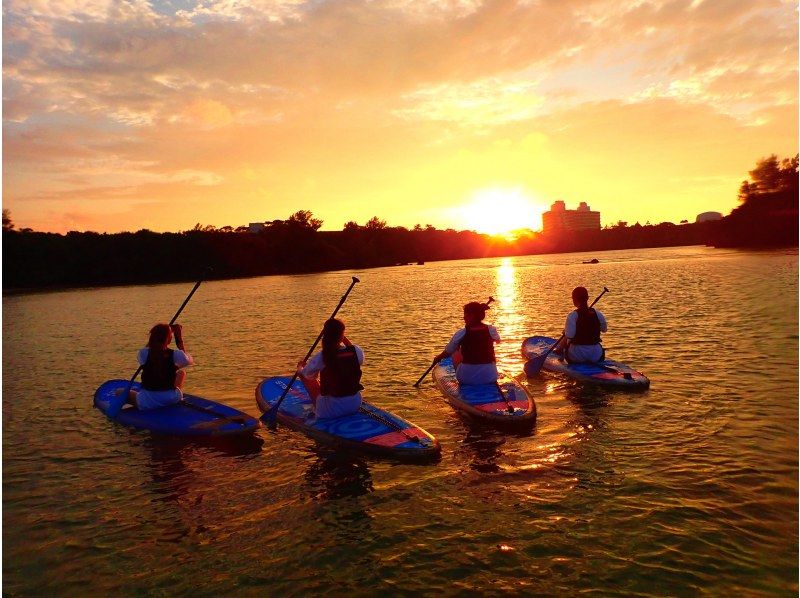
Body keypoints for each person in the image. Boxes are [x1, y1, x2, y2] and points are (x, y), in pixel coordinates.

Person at [297, 318, 364, 419]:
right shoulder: (357, 351)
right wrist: (342, 338)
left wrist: (300, 367)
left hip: (331, 410)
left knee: (303, 375)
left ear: (325, 335)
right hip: (355, 405)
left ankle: (318, 408)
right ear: (342, 334)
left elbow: (307, 374)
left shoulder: (323, 355)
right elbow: (352, 350)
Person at [120, 323, 194, 409]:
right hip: (172, 399)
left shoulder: (143, 353)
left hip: (148, 402)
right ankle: (171, 393)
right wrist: (178, 338)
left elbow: (147, 349)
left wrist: (161, 334)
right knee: (181, 373)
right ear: (169, 340)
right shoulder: (175, 355)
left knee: (119, 392)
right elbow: (187, 360)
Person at [432, 301, 500, 385]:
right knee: (491, 351)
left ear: (472, 316)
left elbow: (448, 351)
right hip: (490, 377)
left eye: (466, 315)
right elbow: (498, 341)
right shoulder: (492, 330)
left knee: (456, 352)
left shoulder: (462, 333)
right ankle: (488, 371)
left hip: (466, 378)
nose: (464, 317)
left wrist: (438, 357)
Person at [555, 286, 608, 363]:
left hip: (577, 356)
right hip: (596, 355)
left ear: (574, 299)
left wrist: (566, 331)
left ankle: (559, 351)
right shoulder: (598, 314)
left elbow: (570, 336)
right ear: (587, 298)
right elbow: (604, 330)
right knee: (568, 333)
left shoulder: (572, 315)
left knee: (567, 335)